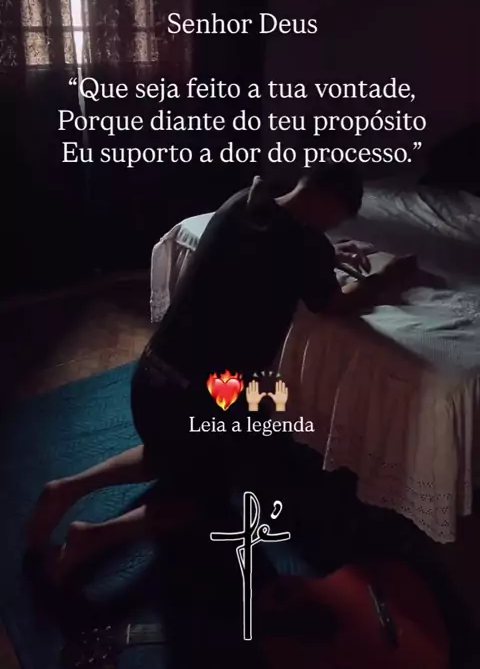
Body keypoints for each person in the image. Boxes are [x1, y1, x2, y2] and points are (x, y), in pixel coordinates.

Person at [27, 164, 416, 582]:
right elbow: (336, 303)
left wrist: (326, 254)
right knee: (205, 502)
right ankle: (92, 537)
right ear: (329, 202)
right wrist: (385, 278)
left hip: (154, 376)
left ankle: (66, 488)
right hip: (199, 398)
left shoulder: (242, 202)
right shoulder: (306, 247)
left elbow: (268, 252)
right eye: (334, 220)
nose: (331, 229)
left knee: (168, 451)